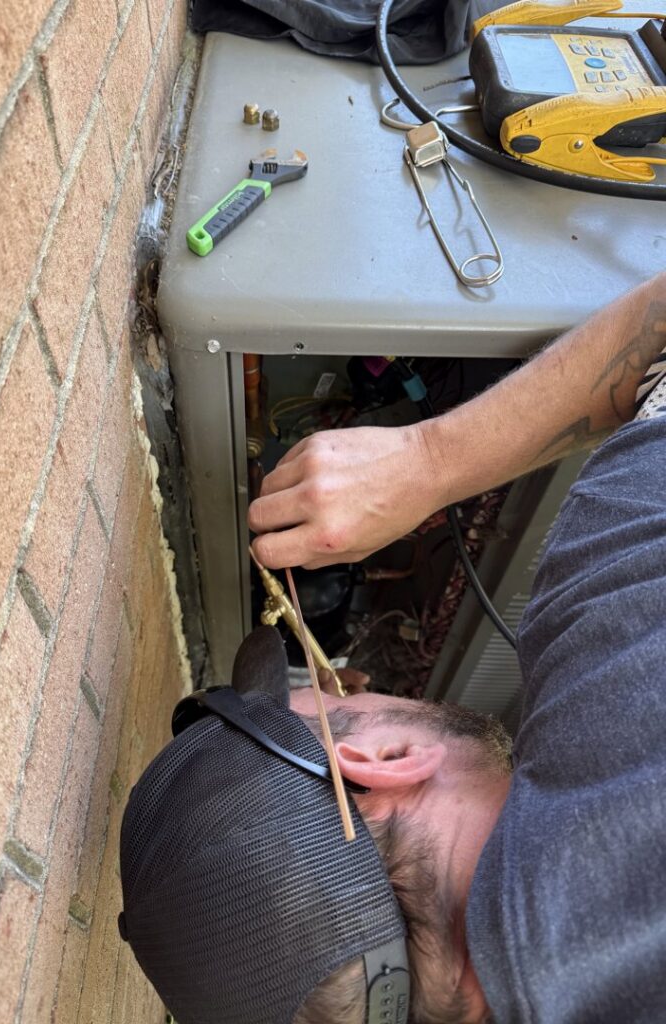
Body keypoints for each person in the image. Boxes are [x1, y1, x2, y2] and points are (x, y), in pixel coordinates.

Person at [118, 272, 666, 1023]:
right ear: (379, 764)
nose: (357, 678)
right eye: (335, 692)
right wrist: (431, 460)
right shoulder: (622, 694)